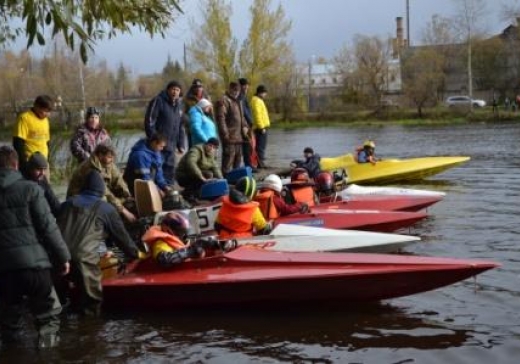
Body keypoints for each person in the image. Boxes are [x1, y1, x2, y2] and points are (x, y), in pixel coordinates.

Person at [0, 145, 70, 349]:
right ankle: (47, 355)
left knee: (8, 324)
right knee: (48, 319)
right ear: (16, 164)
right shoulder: (31, 189)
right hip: (34, 266)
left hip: (3, 271)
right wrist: (63, 257)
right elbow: (48, 227)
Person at [58, 170, 140, 316]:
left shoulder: (66, 204)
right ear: (102, 190)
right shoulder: (106, 208)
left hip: (58, 258)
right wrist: (136, 255)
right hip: (84, 260)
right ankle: (90, 335)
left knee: (60, 306)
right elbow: (122, 239)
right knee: (91, 306)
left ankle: (62, 335)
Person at [67, 144, 136, 223]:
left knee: (127, 200)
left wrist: (127, 195)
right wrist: (123, 211)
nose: (112, 160)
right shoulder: (90, 168)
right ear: (100, 155)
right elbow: (105, 192)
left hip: (96, 194)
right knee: (104, 200)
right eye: (109, 157)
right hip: (80, 199)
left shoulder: (108, 163)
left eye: (112, 157)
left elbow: (118, 180)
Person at [144, 80, 185, 184]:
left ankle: (168, 194)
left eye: (177, 90)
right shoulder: (158, 101)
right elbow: (149, 121)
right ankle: (154, 194)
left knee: (170, 172)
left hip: (172, 146)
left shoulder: (179, 105)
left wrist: (181, 144)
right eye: (173, 89)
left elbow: (180, 126)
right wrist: (155, 140)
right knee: (156, 171)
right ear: (168, 90)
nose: (175, 92)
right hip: (158, 146)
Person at [12, 95, 54, 176]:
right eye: (45, 111)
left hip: (44, 163)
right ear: (37, 107)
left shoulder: (46, 120)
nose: (47, 114)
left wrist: (48, 159)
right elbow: (18, 143)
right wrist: (24, 164)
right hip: (31, 164)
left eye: (49, 112)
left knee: (45, 188)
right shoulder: (24, 118)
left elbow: (47, 141)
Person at [123, 133, 171, 197]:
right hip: (136, 185)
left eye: (163, 147)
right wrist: (157, 190)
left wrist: (164, 186)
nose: (162, 149)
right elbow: (144, 177)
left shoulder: (156, 152)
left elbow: (159, 173)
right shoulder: (140, 155)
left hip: (149, 182)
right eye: (161, 146)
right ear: (154, 143)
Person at [216, 82, 249, 174]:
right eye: (234, 90)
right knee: (228, 160)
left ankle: (235, 180)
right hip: (229, 137)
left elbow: (242, 118)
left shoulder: (239, 101)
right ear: (229, 89)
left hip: (239, 137)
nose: (236, 92)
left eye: (238, 90)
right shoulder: (223, 101)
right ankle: (225, 179)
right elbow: (221, 119)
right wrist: (225, 135)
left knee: (238, 160)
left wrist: (245, 127)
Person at [25, 152, 61, 216]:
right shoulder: (23, 182)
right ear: (30, 169)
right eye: (39, 169)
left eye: (44, 169)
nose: (42, 173)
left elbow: (53, 201)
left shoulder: (42, 180)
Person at [183, 79, 211, 149]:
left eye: (200, 86)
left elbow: (211, 114)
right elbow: (183, 115)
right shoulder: (187, 99)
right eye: (196, 87)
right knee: (193, 151)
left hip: (205, 129)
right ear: (192, 88)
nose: (198, 88)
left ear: (202, 88)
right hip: (193, 131)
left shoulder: (207, 98)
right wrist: (191, 123)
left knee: (206, 151)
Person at [251, 85, 271, 168]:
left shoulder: (257, 100)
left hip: (260, 126)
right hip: (260, 128)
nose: (265, 95)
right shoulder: (257, 101)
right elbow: (257, 115)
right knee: (260, 146)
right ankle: (260, 163)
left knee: (260, 146)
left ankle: (260, 163)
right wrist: (261, 127)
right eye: (264, 93)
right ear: (260, 92)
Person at [238, 78, 255, 169]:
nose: (246, 87)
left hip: (247, 124)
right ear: (241, 86)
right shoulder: (240, 97)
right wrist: (247, 124)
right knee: (246, 145)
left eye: (247, 85)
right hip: (245, 125)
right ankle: (248, 165)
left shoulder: (243, 96)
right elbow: (243, 112)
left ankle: (250, 165)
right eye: (245, 85)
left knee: (248, 146)